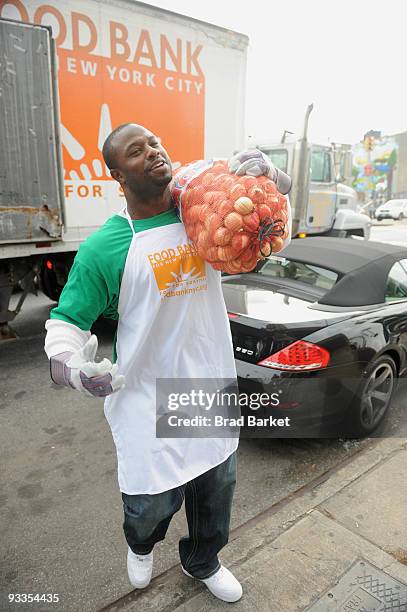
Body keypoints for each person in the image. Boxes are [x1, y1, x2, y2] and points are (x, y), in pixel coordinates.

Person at [44, 124, 290, 604]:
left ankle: (204, 560)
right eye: (136, 152)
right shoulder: (106, 247)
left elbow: (271, 211)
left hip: (206, 385)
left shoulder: (200, 210)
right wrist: (73, 369)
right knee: (149, 501)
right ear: (117, 175)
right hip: (144, 395)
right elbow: (64, 324)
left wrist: (270, 174)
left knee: (214, 492)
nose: (153, 151)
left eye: (155, 142)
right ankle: (141, 545)